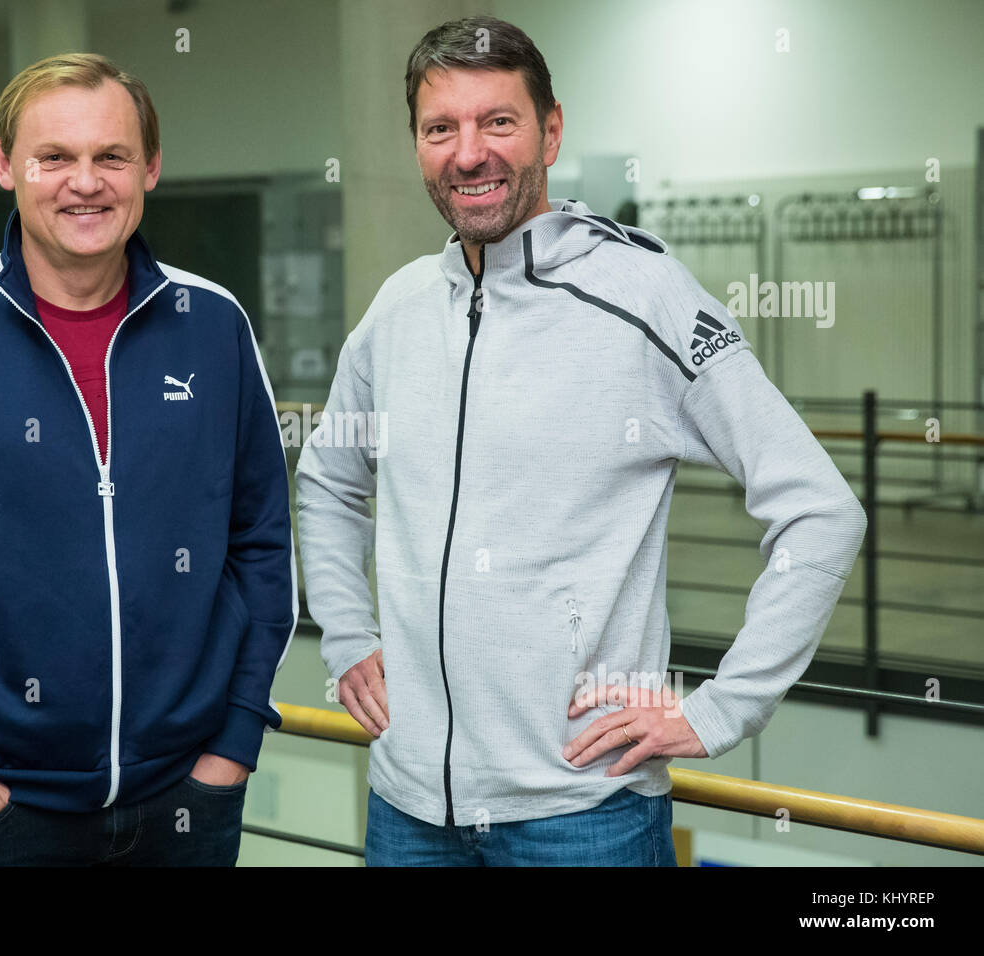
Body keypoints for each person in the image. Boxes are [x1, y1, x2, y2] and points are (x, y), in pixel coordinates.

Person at [295, 16, 866, 866]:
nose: (468, 152)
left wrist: (720, 709)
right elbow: (327, 479)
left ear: (550, 130)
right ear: (418, 144)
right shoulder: (398, 310)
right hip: (408, 806)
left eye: (498, 121)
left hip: (581, 812)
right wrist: (345, 634)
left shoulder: (646, 296)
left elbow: (822, 511)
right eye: (439, 128)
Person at [0, 53, 296, 866]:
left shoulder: (213, 325)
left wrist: (235, 742)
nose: (86, 182)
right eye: (56, 157)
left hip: (189, 800)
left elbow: (262, 540)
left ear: (149, 165)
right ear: (7, 164)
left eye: (111, 156)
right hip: (2, 811)